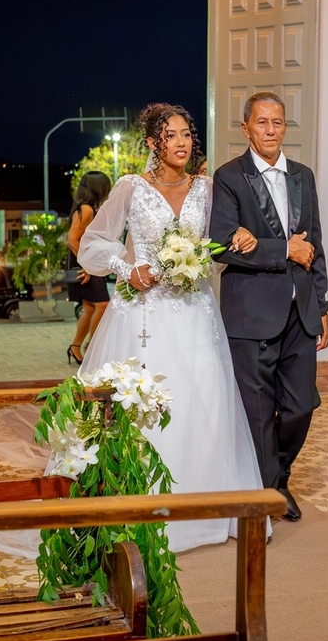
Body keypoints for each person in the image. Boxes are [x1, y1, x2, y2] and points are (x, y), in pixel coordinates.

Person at [76, 103, 266, 552]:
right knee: (145, 404)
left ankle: (206, 505)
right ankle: (141, 508)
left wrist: (242, 235)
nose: (181, 142)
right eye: (171, 135)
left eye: (186, 134)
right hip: (143, 314)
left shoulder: (209, 188)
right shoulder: (131, 188)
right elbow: (91, 245)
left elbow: (230, 230)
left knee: (207, 397)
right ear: (153, 143)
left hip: (197, 310)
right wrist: (127, 268)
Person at [209, 92, 328, 523]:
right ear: (246, 128)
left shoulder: (303, 176)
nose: (271, 131)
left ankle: (274, 473)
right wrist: (284, 250)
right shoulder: (229, 177)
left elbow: (314, 243)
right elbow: (221, 245)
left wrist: (323, 302)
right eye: (262, 123)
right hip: (251, 314)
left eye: (277, 123)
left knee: (300, 405)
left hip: (301, 311)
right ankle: (272, 491)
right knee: (258, 411)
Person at [66, 171, 112, 365]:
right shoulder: (87, 209)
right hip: (85, 265)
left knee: (89, 307)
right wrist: (87, 264)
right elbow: (72, 239)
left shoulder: (83, 207)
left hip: (85, 263)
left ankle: (76, 347)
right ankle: (92, 348)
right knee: (102, 305)